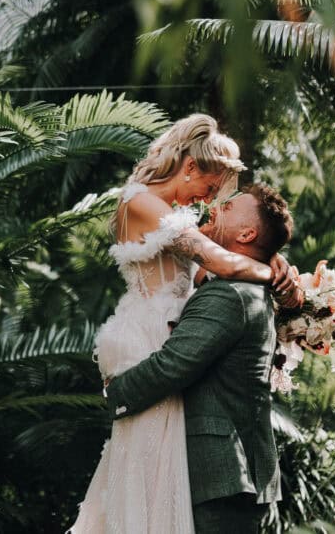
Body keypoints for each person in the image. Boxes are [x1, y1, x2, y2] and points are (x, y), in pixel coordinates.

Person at [69, 115, 298, 533]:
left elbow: (221, 254)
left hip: (169, 328)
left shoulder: (182, 221)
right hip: (148, 331)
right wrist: (273, 273)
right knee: (147, 459)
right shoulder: (141, 202)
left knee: (160, 464)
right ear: (190, 168)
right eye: (210, 190)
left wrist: (271, 255)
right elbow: (219, 259)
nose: (208, 203)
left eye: (217, 198)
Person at [103, 183, 293, 533]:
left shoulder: (228, 295)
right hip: (230, 477)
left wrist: (114, 393)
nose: (217, 207)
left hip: (221, 476)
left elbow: (171, 366)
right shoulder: (239, 287)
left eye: (230, 207)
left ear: (247, 232)